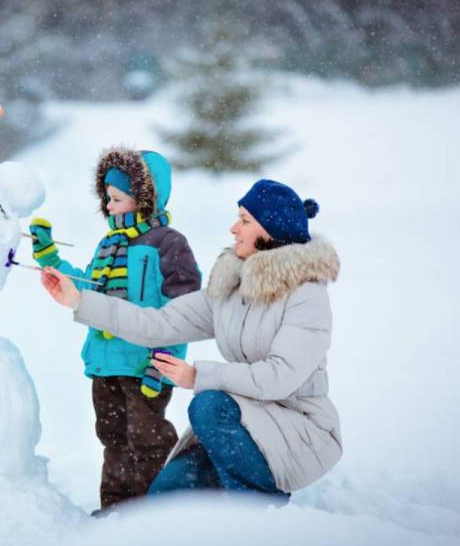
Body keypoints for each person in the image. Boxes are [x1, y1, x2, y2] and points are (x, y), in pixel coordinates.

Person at [39, 179, 342, 500]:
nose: (233, 228)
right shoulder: (232, 290)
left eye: (245, 220)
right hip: (244, 422)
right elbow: (158, 324)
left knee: (208, 404)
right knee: (164, 499)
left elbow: (279, 378)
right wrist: (78, 301)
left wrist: (198, 376)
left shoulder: (307, 297)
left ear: (270, 230)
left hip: (298, 429)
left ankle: (260, 509)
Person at [29, 147, 201, 512]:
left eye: (117, 199)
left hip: (145, 366)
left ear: (144, 198)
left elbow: (185, 310)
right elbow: (88, 288)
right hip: (106, 363)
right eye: (107, 198)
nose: (109, 207)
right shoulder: (108, 244)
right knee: (113, 438)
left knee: (147, 438)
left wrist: (165, 362)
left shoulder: (168, 244)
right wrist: (49, 260)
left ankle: (155, 512)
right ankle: (115, 510)